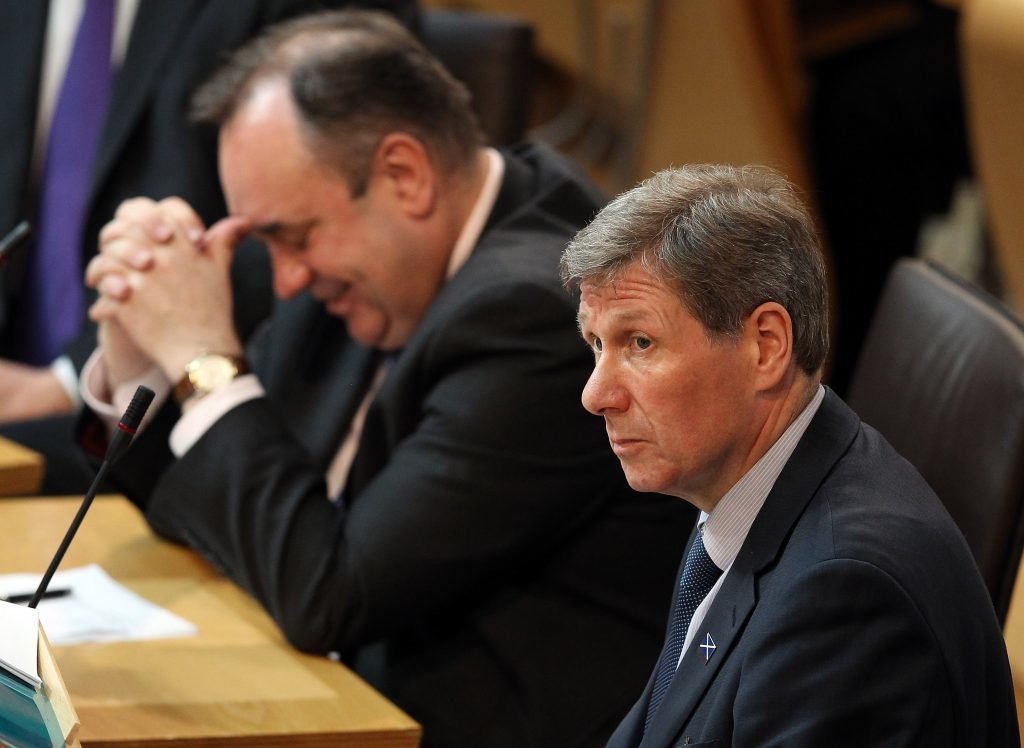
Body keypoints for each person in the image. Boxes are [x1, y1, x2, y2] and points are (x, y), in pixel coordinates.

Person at [81, 10, 695, 747]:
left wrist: (203, 361)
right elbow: (241, 511)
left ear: (403, 175)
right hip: (328, 697)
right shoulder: (371, 269)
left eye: (293, 236)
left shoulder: (544, 315)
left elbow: (331, 593)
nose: (285, 280)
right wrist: (138, 348)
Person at [562, 164, 1020, 747]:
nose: (596, 394)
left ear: (766, 346)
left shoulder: (843, 600)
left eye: (640, 343)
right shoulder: (742, 485)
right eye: (596, 344)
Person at [0, 0, 418, 493]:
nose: (291, 273)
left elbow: (289, 222)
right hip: (128, 422)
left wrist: (80, 380)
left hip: (196, 406)